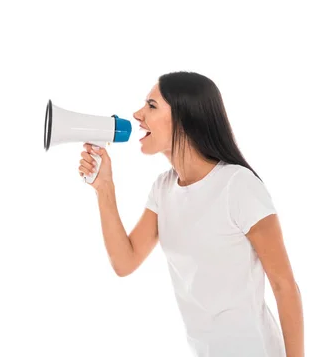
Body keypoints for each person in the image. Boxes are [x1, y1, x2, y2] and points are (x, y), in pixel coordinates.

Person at [78, 72, 303, 357]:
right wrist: (104, 188)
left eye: (151, 105)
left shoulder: (238, 185)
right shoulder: (163, 188)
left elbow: (284, 285)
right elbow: (125, 262)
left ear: (184, 119)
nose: (137, 114)